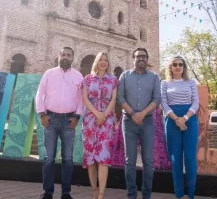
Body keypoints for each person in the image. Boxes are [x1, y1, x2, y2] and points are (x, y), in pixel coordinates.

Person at [35, 47, 84, 199]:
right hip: (50, 120)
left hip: (69, 122)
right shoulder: (49, 74)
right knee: (49, 158)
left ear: (73, 58)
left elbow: (81, 99)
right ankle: (48, 193)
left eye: (68, 55)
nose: (65, 57)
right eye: (63, 54)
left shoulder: (78, 76)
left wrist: (77, 117)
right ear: (58, 56)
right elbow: (40, 93)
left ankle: (66, 194)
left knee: (68, 160)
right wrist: (42, 114)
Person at [117, 48, 161, 199]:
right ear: (133, 59)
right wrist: (133, 113)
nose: (141, 59)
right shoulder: (124, 76)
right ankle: (131, 195)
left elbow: (156, 99)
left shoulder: (155, 77)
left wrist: (142, 114)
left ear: (147, 59)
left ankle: (146, 195)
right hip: (128, 122)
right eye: (138, 56)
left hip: (147, 121)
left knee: (148, 160)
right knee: (129, 160)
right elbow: (120, 98)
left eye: (144, 56)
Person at [161, 56, 199, 199]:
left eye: (180, 64)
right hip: (172, 120)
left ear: (184, 67)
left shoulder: (191, 82)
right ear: (170, 67)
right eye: (174, 64)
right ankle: (178, 194)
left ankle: (191, 194)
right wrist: (177, 119)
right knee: (175, 158)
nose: (178, 67)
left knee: (189, 158)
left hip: (189, 119)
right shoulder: (165, 83)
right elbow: (163, 103)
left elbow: (195, 103)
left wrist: (185, 118)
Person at [82, 52, 118, 199]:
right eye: (101, 60)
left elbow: (113, 100)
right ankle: (94, 189)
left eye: (106, 60)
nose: (103, 62)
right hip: (90, 119)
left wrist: (103, 115)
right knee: (90, 157)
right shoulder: (88, 79)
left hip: (106, 121)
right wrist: (97, 114)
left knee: (103, 157)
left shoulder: (113, 79)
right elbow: (85, 99)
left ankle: (101, 193)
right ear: (96, 62)